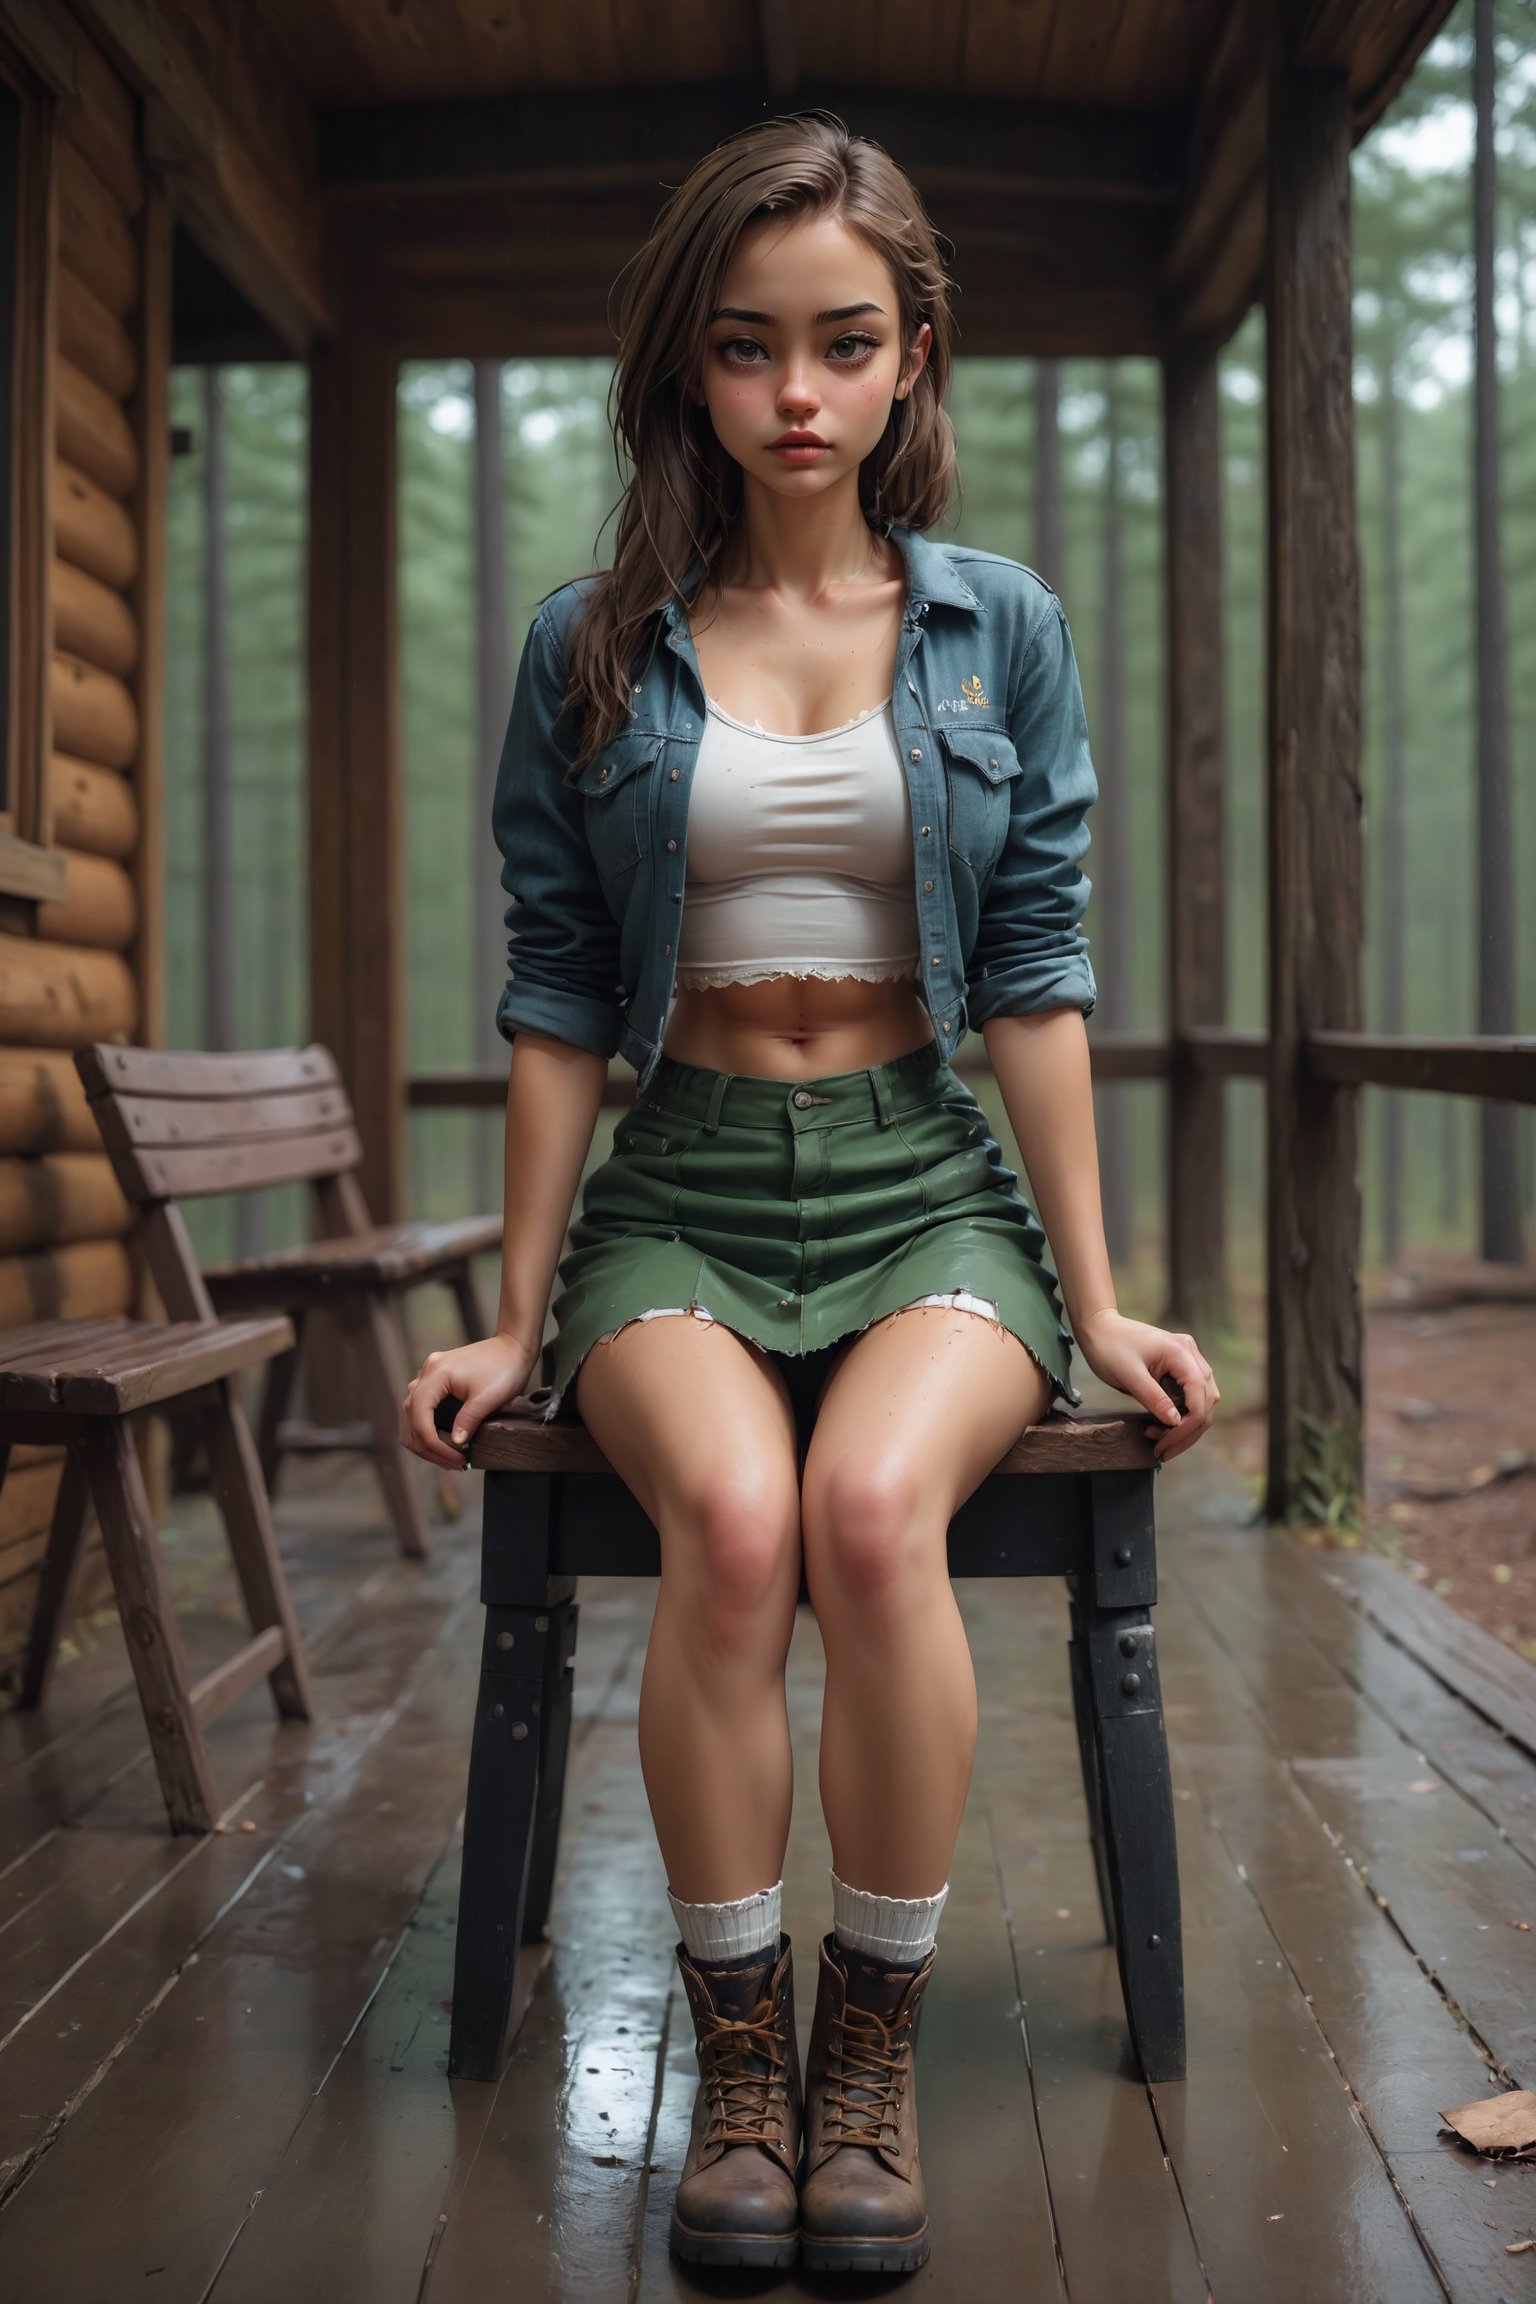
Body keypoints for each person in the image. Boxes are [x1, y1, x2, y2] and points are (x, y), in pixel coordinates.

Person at [402, 112, 1218, 2278]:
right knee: (738, 1527)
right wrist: (515, 1308)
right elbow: (563, 1000)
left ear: (911, 360)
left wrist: (1102, 1296)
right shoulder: (594, 649)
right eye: (750, 347)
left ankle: (869, 2054)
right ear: (691, 364)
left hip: (921, 1189)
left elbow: (1034, 984)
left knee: (870, 1516)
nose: (795, 393)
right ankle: (735, 2062)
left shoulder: (994, 632)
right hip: (675, 1190)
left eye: (843, 345)